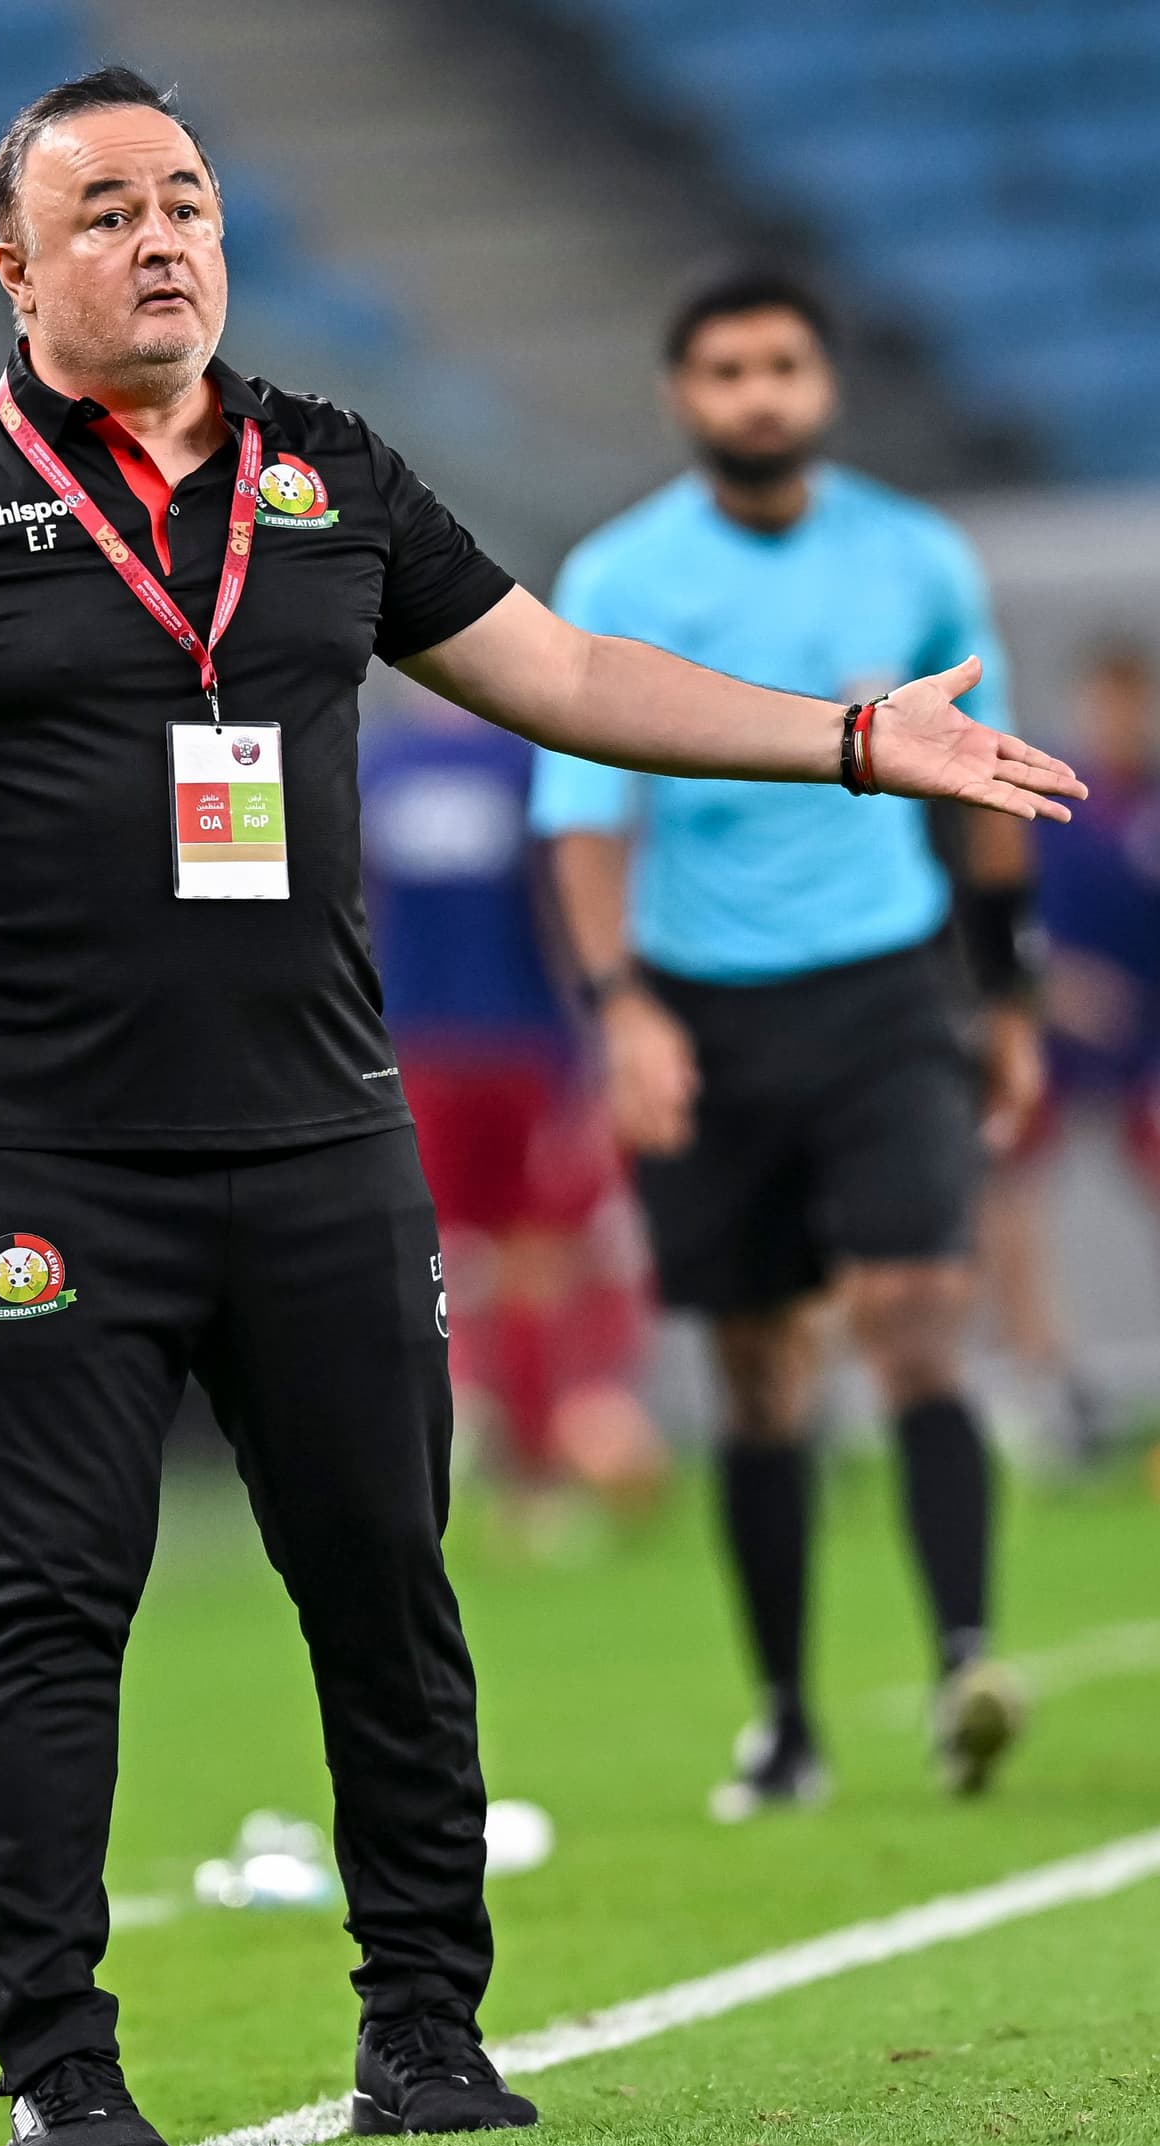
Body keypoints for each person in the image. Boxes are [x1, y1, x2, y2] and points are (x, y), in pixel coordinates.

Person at [0, 79, 1079, 2146]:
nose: (161, 236)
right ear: (16, 265)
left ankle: (427, 2028)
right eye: (106, 212)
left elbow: (561, 671)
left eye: (187, 200)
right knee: (50, 1598)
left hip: (319, 1140)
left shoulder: (330, 472)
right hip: (50, 1156)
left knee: (384, 1581)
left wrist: (841, 738)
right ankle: (59, 2063)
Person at [530, 271, 1046, 1824]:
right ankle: (786, 1718)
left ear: (821, 383)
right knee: (760, 1369)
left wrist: (1005, 996)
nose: (758, 392)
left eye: (783, 365)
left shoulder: (915, 555)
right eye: (726, 369)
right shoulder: (620, 573)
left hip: (887, 992)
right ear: (685, 394)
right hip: (705, 1008)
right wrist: (622, 1008)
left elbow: (989, 780)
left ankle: (965, 1659)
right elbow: (583, 816)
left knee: (911, 1305)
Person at [360, 681, 664, 1508]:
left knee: (499, 1252)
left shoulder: (417, 764)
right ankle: (512, 1443)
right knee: (486, 1254)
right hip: (461, 1041)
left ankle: (523, 1440)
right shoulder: (390, 762)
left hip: (488, 1040)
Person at [979, 639, 1160, 1447]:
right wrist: (1054, 988)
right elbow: (997, 914)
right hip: (1051, 1038)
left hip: (1145, 1041)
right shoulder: (1049, 802)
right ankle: (1046, 1388)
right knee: (1010, 1205)